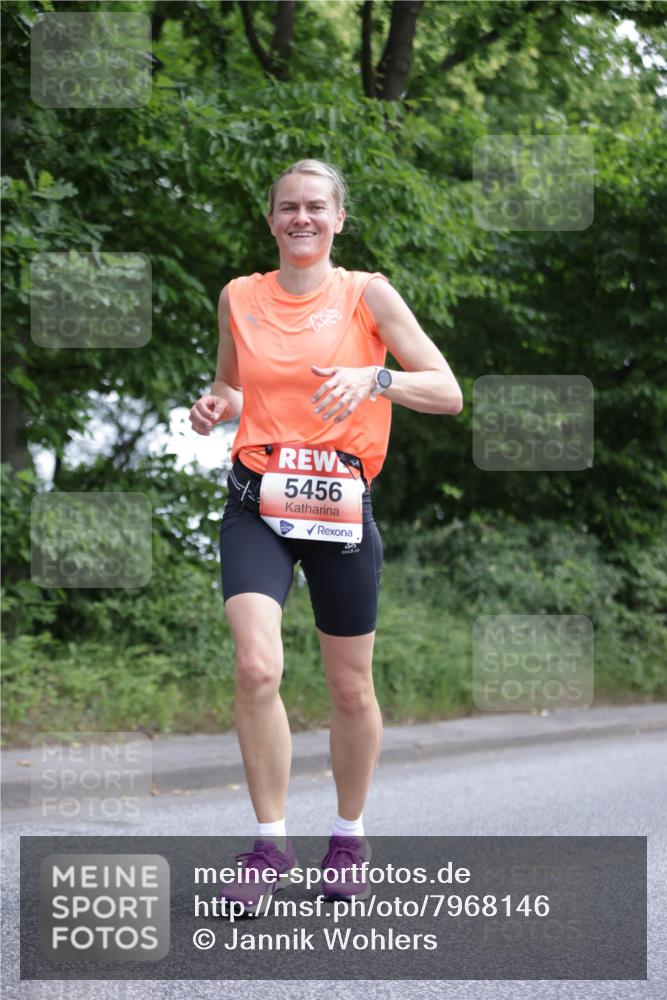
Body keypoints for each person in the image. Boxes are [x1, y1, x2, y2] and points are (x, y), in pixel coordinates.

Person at [189, 159, 462, 907]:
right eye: (287, 207)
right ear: (270, 218)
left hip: (340, 507)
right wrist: (214, 406)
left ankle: (347, 837)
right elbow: (230, 383)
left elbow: (446, 391)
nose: (300, 218)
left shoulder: (366, 294)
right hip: (257, 501)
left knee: (348, 686)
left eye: (316, 207)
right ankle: (269, 847)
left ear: (339, 219)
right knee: (255, 668)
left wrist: (376, 380)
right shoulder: (239, 296)